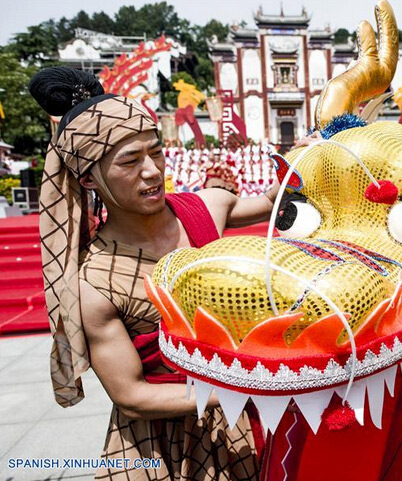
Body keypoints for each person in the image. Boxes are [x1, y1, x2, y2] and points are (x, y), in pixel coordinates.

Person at [29, 66, 279, 480]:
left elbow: (272, 201)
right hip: (161, 442)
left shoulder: (205, 208)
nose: (152, 171)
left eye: (155, 152)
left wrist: (314, 152)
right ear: (88, 177)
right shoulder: (94, 283)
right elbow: (132, 396)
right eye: (130, 160)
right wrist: (238, 387)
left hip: (244, 417)